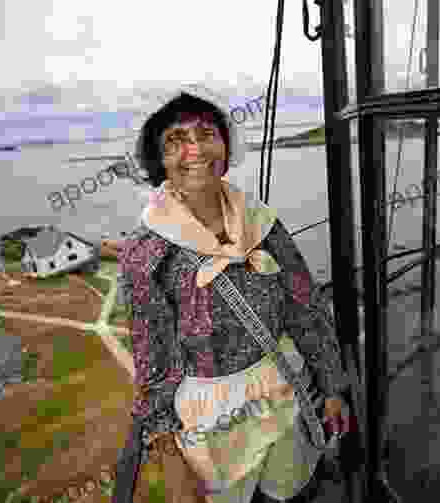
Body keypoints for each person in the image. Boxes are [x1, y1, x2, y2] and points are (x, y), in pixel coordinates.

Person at [112, 87, 352, 503]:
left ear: (224, 143)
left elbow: (304, 307)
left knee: (289, 489)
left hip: (284, 388)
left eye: (206, 133)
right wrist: (170, 457)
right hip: (209, 417)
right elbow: (153, 356)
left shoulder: (262, 221)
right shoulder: (145, 251)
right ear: (158, 161)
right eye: (175, 141)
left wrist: (331, 388)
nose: (194, 150)